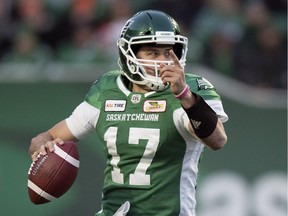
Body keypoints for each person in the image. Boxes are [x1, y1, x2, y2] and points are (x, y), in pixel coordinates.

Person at [29, 10, 228, 216]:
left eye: (169, 52)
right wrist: (42, 147)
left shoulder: (191, 89)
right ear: (128, 54)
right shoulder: (107, 90)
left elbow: (217, 140)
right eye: (152, 53)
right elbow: (47, 137)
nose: (163, 61)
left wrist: (185, 96)